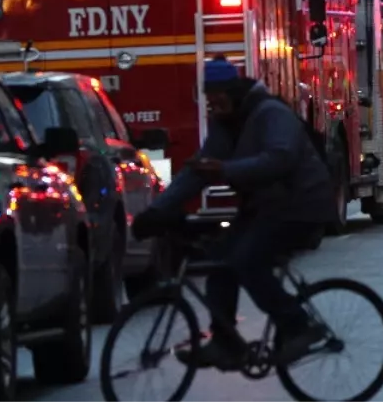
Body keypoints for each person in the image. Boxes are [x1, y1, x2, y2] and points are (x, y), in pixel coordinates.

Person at [131, 58, 334, 369]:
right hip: (268, 207)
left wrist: (225, 170)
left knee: (246, 260)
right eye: (209, 99)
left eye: (219, 96)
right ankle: (225, 344)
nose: (214, 104)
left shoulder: (270, 113)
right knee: (220, 258)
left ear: (235, 91)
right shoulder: (226, 125)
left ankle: (298, 325)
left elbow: (280, 159)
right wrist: (156, 211)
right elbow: (198, 171)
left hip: (301, 206)